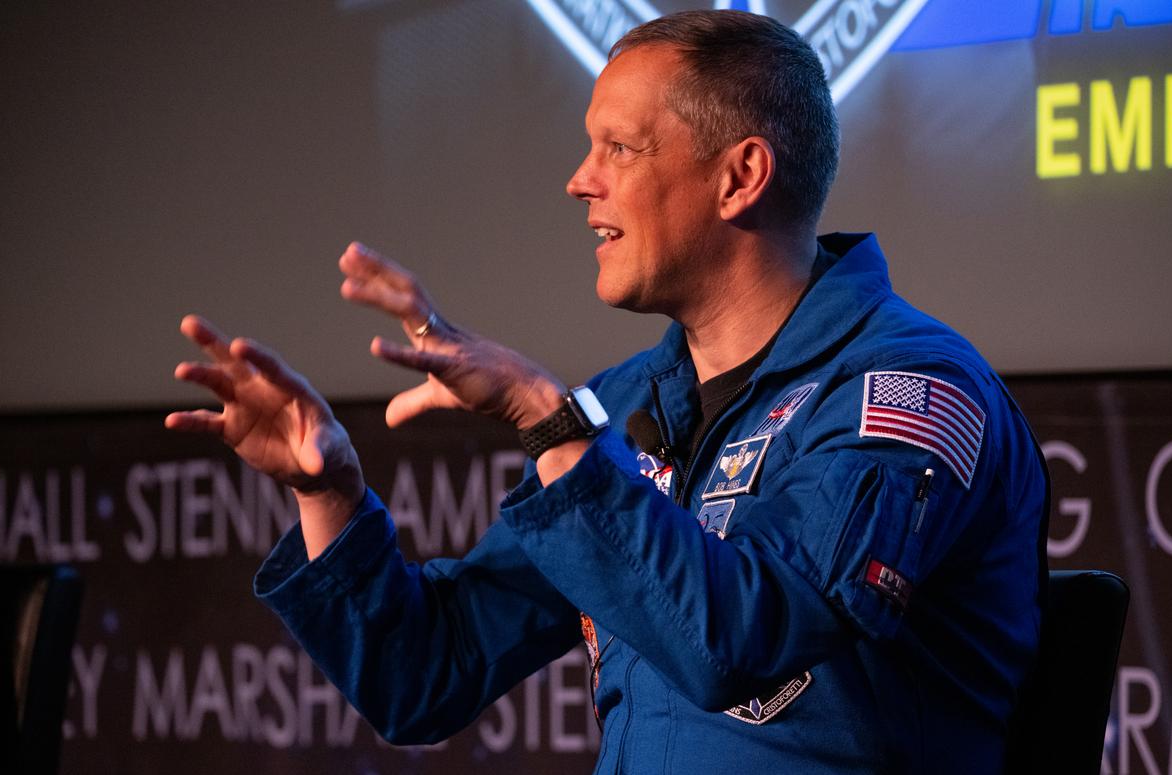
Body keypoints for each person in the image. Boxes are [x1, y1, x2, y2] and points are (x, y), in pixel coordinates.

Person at [168, 10, 1047, 773]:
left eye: (619, 148)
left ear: (740, 177)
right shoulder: (631, 400)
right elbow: (426, 673)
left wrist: (544, 420)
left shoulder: (908, 391)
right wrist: (327, 492)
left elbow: (742, 645)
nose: (580, 180)